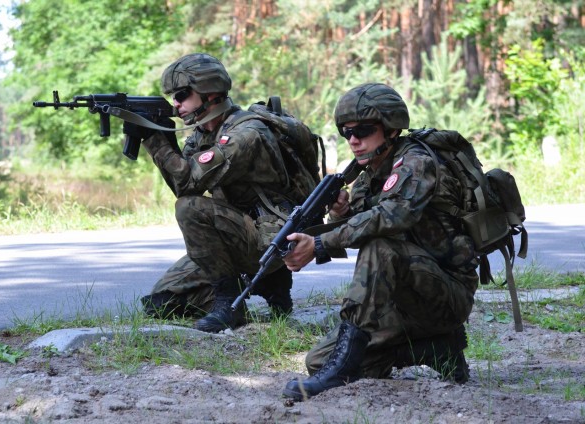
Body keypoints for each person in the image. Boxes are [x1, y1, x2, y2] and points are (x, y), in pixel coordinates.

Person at [280, 82, 479, 400]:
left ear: (389, 128)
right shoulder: (367, 176)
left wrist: (319, 244)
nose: (354, 140)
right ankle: (436, 348)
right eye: (347, 133)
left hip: (445, 295)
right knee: (317, 362)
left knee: (381, 246)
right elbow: (357, 228)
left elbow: (392, 216)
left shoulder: (416, 162)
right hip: (401, 301)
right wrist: (341, 212)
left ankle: (343, 369)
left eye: (364, 130)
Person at [132, 53, 314, 333]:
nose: (175, 104)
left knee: (189, 208)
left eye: (181, 95)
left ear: (210, 93)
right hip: (238, 232)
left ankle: (229, 303)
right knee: (161, 303)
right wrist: (162, 136)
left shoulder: (245, 134)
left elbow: (189, 188)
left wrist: (154, 139)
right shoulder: (204, 134)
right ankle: (264, 283)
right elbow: (182, 182)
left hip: (271, 238)